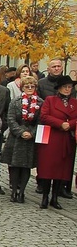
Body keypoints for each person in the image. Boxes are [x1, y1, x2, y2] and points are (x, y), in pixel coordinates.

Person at [36, 75, 77, 209]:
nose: (67, 89)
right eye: (65, 87)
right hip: (52, 137)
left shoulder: (74, 103)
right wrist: (60, 124)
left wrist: (69, 124)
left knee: (62, 169)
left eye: (69, 87)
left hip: (66, 139)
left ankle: (55, 197)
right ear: (59, 88)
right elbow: (44, 116)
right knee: (48, 168)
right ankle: (45, 197)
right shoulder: (50, 100)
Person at [1, 76, 41, 203]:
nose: (29, 88)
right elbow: (11, 119)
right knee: (14, 165)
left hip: (30, 139)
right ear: (22, 87)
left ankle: (22, 192)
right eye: (26, 86)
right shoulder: (15, 101)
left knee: (26, 167)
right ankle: (13, 191)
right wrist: (20, 132)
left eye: (32, 86)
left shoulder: (40, 102)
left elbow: (41, 121)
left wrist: (31, 133)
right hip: (16, 138)